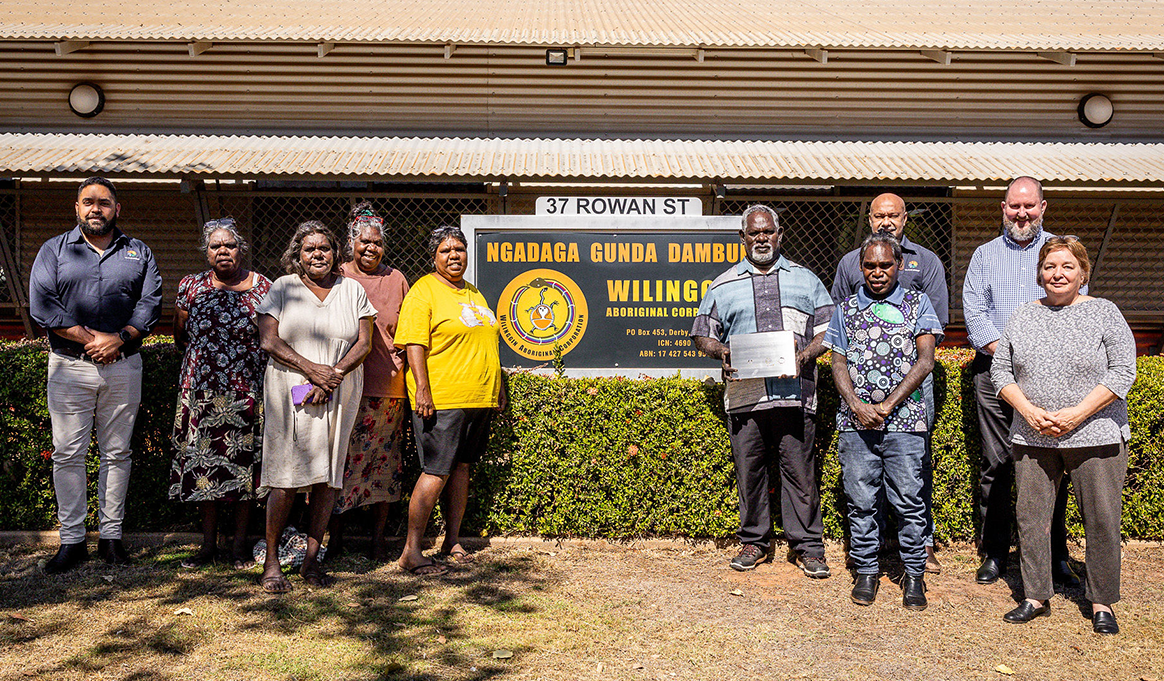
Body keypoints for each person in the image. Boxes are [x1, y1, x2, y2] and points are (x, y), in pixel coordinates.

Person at [990, 237, 1134, 635]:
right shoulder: (1022, 315)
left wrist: (1077, 414)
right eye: (1050, 267)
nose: (1058, 274)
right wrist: (1028, 411)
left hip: (1096, 434)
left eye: (1067, 266)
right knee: (1032, 518)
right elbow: (1001, 372)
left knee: (1101, 519)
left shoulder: (1105, 312)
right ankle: (1035, 596)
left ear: (1083, 273)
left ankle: (1102, 601)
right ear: (1040, 274)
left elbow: (1123, 371)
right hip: (1033, 435)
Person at [691, 205, 835, 577]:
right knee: (749, 472)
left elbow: (829, 330)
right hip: (745, 397)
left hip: (795, 393)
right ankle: (754, 542)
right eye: (754, 233)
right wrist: (722, 351)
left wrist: (805, 354)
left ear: (779, 234)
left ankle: (808, 547)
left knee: (799, 473)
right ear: (742, 238)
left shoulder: (806, 280)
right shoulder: (723, 285)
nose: (761, 239)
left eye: (767, 232)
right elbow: (702, 333)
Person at [29, 177, 162, 574]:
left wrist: (119, 340)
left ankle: (111, 539)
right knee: (68, 454)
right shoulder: (53, 251)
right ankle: (71, 543)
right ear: (76, 207)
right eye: (88, 202)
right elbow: (43, 305)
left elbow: (150, 304)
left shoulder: (139, 252)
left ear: (117, 209)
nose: (96, 209)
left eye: (104, 203)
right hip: (70, 365)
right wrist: (91, 340)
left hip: (123, 366)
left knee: (117, 453)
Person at [963, 177, 1080, 587]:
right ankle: (994, 552)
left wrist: (1038, 362)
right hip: (995, 375)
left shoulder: (1059, 254)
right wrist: (1011, 357)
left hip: (1051, 378)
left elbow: (1077, 310)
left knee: (1053, 468)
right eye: (1015, 206)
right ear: (1003, 207)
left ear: (1043, 207)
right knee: (997, 464)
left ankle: (1055, 556)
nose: (1022, 213)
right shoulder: (984, 256)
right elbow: (976, 315)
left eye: (1030, 206)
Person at [825, 233, 944, 610]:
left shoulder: (917, 303)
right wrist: (855, 404)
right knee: (861, 500)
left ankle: (914, 576)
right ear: (861, 268)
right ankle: (866, 570)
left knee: (909, 501)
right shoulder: (844, 308)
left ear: (898, 265)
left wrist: (889, 404)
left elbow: (925, 361)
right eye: (871, 266)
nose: (878, 272)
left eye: (885, 265)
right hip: (856, 423)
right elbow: (837, 360)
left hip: (906, 422)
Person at [256, 221, 376, 592]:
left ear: (335, 252)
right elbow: (269, 341)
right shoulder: (282, 288)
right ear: (298, 255)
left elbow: (364, 342)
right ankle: (273, 563)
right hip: (289, 389)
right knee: (285, 477)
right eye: (309, 249)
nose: (318, 254)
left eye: (324, 248)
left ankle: (311, 561)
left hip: (339, 390)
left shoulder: (352, 290)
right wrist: (312, 371)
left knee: (328, 477)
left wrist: (333, 375)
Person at [395, 225, 506, 577]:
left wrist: (498, 385)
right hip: (442, 399)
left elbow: (486, 342)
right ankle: (411, 552)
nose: (454, 255)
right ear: (434, 257)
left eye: (459, 249)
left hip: (478, 398)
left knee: (460, 469)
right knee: (436, 471)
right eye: (446, 250)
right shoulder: (423, 292)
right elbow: (414, 343)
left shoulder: (474, 293)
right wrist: (423, 390)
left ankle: (452, 540)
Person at [170, 218, 272, 569]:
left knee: (245, 472)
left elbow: (272, 337)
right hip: (199, 393)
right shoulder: (190, 286)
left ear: (241, 249)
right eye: (215, 246)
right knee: (203, 469)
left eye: (229, 245)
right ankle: (208, 545)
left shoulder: (264, 287)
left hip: (246, 393)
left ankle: (241, 546)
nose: (223, 251)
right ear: (207, 252)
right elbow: (180, 334)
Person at [329, 203, 410, 562]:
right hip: (343, 385)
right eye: (363, 242)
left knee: (383, 465)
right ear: (351, 243)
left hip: (387, 389)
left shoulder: (397, 279)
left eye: (376, 243)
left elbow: (406, 335)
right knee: (339, 463)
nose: (370, 249)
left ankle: (378, 540)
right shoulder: (337, 275)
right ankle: (336, 538)